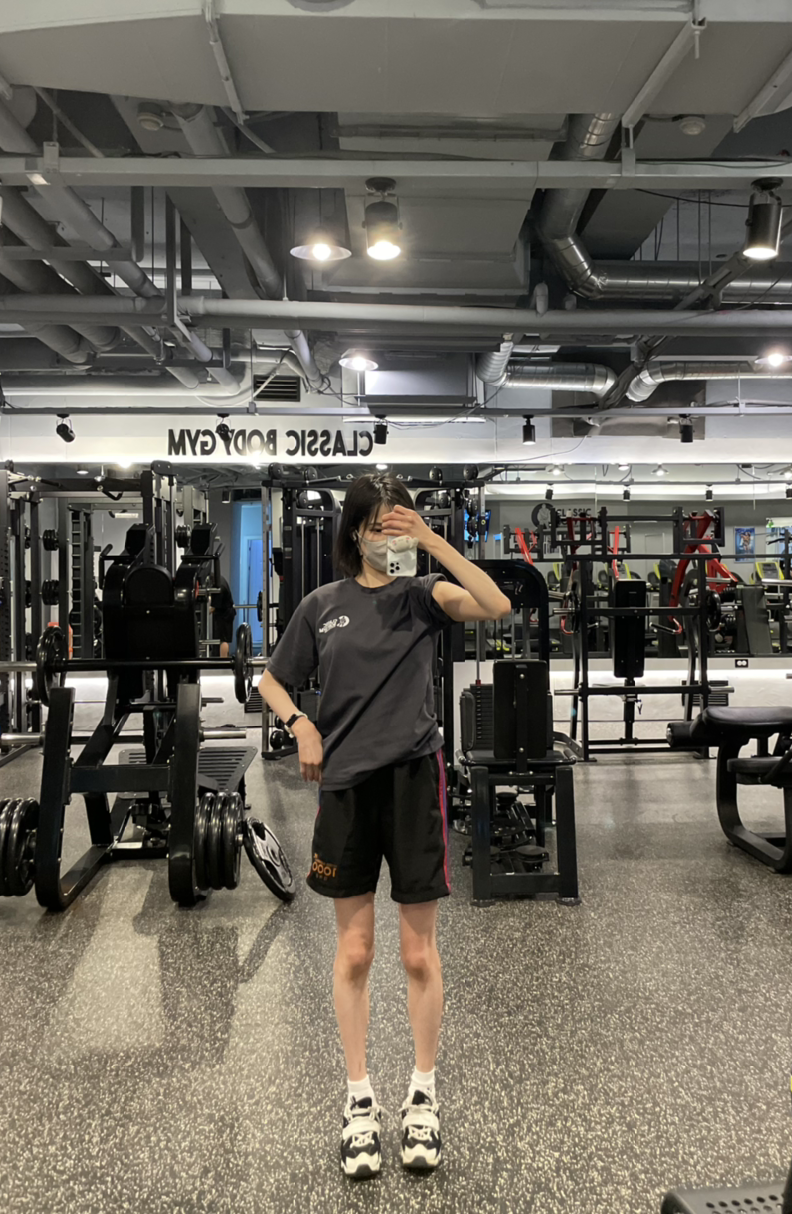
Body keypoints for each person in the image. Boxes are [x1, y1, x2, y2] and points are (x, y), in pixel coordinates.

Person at [258, 473, 511, 1180]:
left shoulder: (422, 596)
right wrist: (300, 723)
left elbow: (495, 604)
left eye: (397, 524)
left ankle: (423, 1096)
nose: (387, 537)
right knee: (356, 951)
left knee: (419, 954)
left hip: (412, 782)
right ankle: (359, 1100)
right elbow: (271, 680)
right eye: (378, 525)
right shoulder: (321, 606)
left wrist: (429, 539)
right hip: (345, 788)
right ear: (354, 533)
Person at [211, 575, 236, 659]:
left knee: (223, 639)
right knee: (223, 639)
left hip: (225, 615)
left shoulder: (219, 587)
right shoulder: (219, 581)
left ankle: (223, 660)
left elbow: (214, 607)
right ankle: (222, 659)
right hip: (225, 613)